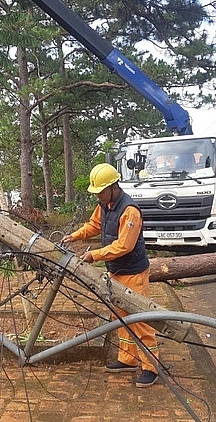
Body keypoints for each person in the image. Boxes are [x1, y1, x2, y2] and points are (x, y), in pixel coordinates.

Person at [62, 163, 159, 388]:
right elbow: (94, 225)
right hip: (116, 271)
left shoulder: (130, 210)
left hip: (133, 272)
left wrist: (94, 255)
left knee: (140, 319)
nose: (98, 195)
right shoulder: (105, 204)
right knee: (120, 316)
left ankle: (150, 367)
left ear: (114, 186)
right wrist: (74, 236)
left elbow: (124, 246)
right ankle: (128, 359)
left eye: (100, 191)